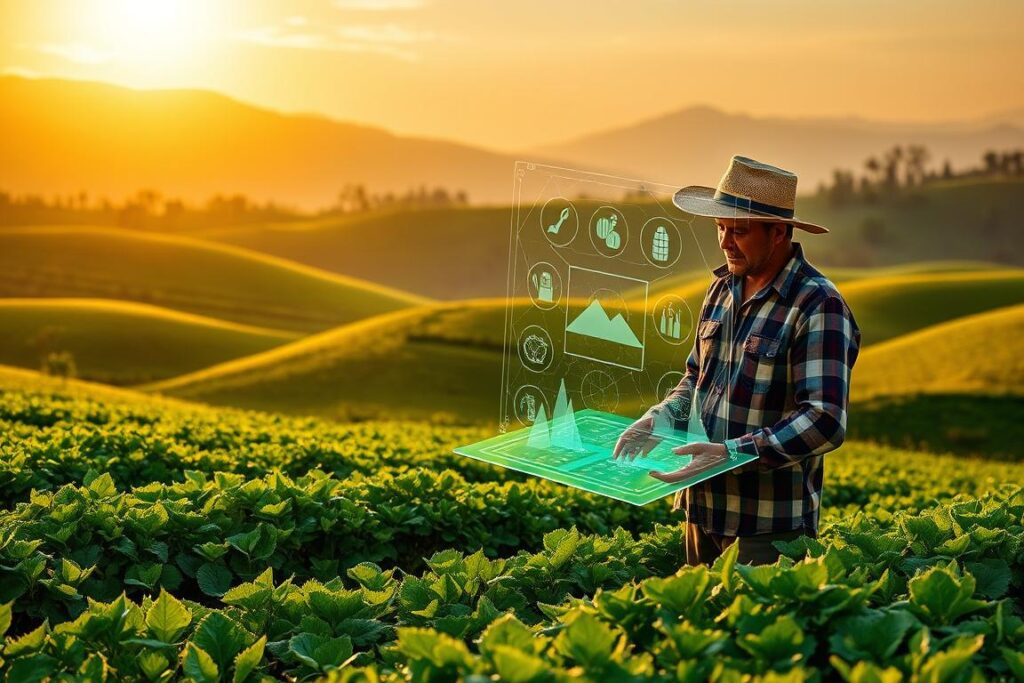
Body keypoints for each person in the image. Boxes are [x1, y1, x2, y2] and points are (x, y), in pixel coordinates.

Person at [612, 155, 861, 566]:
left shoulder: (817, 304)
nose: (726, 242)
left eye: (739, 231)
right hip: (701, 512)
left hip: (768, 528)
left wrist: (734, 453)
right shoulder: (721, 291)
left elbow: (825, 420)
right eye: (720, 228)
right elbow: (696, 378)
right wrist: (660, 416)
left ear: (778, 232)